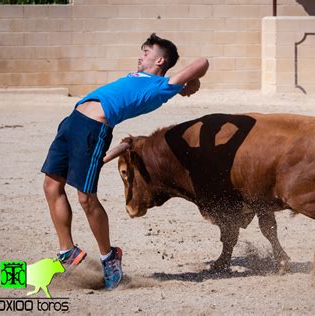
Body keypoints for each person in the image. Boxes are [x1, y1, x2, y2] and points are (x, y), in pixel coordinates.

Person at [41, 33, 209, 290]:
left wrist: (190, 81)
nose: (140, 55)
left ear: (160, 60)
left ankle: (109, 258)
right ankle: (67, 251)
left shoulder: (161, 86)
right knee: (51, 186)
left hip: (93, 128)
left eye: (146, 51)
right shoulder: (139, 76)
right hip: (72, 121)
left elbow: (202, 62)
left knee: (86, 197)